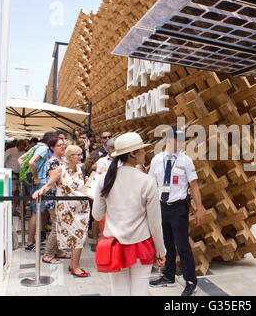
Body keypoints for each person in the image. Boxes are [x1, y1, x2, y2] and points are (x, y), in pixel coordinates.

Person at [92, 132, 166, 296]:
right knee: (140, 292)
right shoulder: (147, 181)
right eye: (141, 150)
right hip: (141, 245)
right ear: (133, 153)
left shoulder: (105, 178)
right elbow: (155, 223)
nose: (144, 152)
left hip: (114, 245)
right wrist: (161, 252)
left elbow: (97, 215)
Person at [148, 126, 204, 296]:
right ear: (168, 140)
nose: (181, 143)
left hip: (179, 208)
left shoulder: (186, 160)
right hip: (161, 207)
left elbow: (193, 185)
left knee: (182, 245)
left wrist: (199, 208)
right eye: (178, 139)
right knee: (165, 244)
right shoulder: (157, 160)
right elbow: (151, 184)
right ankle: (168, 276)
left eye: (182, 140)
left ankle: (190, 281)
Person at [33, 145, 90, 277]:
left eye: (81, 154)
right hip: (67, 210)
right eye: (77, 155)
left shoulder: (81, 169)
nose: (80, 157)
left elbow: (84, 186)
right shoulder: (60, 169)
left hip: (82, 209)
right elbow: (49, 184)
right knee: (77, 236)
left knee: (81, 238)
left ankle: (74, 264)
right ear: (70, 156)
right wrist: (40, 191)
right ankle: (75, 266)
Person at [19, 131, 58, 251]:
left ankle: (33, 239)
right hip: (39, 183)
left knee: (38, 212)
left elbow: (20, 160)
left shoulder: (36, 147)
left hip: (35, 183)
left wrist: (28, 175)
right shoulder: (43, 149)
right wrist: (36, 177)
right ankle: (30, 242)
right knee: (36, 213)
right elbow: (31, 162)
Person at [40, 136, 71, 264]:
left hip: (63, 197)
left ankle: (58, 250)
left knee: (61, 224)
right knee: (56, 225)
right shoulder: (52, 162)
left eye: (63, 144)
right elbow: (54, 180)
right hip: (54, 197)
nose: (62, 147)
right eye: (59, 145)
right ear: (52, 148)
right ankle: (48, 254)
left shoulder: (63, 160)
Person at [83, 149, 102, 251]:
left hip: (92, 192)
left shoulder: (89, 166)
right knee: (97, 217)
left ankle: (94, 238)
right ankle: (95, 238)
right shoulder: (97, 165)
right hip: (96, 191)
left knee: (95, 216)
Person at [5, 139, 27, 213]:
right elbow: (4, 160)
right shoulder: (10, 151)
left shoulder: (25, 152)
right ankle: (14, 208)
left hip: (21, 174)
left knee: (21, 192)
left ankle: (18, 208)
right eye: (23, 145)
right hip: (12, 173)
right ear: (19, 145)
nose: (24, 147)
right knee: (15, 192)